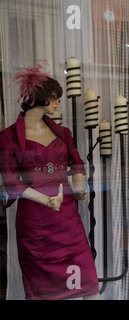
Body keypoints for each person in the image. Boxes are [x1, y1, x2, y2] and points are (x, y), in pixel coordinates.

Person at [0, 62, 100, 299]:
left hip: (67, 219)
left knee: (89, 283)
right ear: (38, 99)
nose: (57, 103)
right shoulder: (7, 137)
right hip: (35, 222)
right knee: (42, 292)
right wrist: (45, 201)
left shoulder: (63, 132)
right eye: (54, 98)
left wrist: (77, 187)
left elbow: (77, 165)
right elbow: (12, 183)